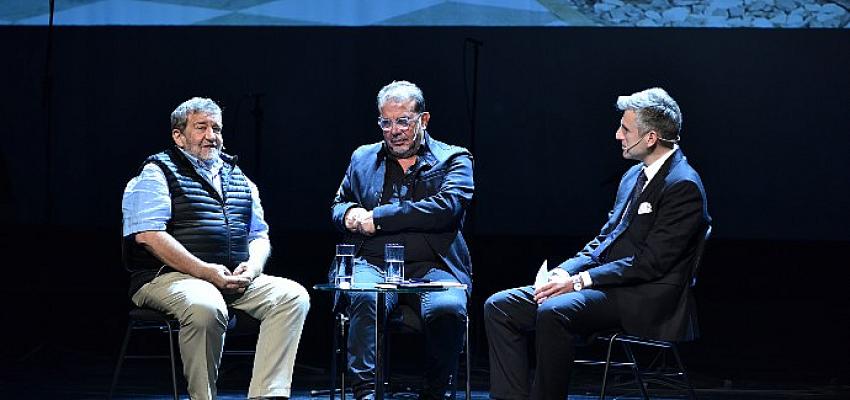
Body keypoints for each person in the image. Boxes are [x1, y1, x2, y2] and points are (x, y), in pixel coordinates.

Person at [484, 87, 710, 400]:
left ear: (651, 137)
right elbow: (605, 239)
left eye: (625, 129)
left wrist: (579, 282)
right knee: (500, 307)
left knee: (554, 311)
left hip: (642, 298)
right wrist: (563, 273)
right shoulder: (633, 176)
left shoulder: (682, 185)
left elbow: (650, 263)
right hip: (606, 286)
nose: (618, 135)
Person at [122, 97, 310, 400]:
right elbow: (149, 235)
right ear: (178, 136)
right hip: (166, 277)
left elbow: (259, 234)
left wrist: (254, 267)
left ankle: (267, 395)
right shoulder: (157, 172)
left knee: (293, 297)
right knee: (206, 304)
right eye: (201, 127)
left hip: (230, 277)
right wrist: (204, 271)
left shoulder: (239, 178)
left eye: (217, 128)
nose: (212, 135)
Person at [330, 80, 474, 400]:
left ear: (423, 120)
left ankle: (437, 393)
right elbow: (338, 204)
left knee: (448, 307)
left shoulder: (455, 160)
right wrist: (350, 213)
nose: (394, 130)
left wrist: (377, 218)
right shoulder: (363, 158)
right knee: (365, 295)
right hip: (373, 261)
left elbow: (444, 209)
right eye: (386, 122)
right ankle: (366, 393)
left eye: (403, 121)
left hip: (435, 266)